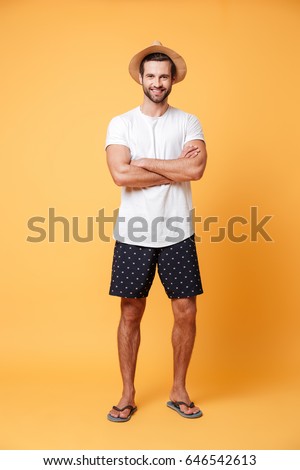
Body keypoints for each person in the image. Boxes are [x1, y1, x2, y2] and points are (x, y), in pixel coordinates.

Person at [105, 41, 207, 422]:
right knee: (131, 312)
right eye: (151, 75)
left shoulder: (188, 122)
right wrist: (171, 166)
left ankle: (179, 389)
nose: (158, 82)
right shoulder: (122, 123)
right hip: (133, 233)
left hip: (178, 231)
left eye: (164, 76)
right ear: (142, 79)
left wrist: (143, 162)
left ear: (173, 79)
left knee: (186, 312)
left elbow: (195, 170)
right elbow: (120, 174)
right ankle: (127, 394)